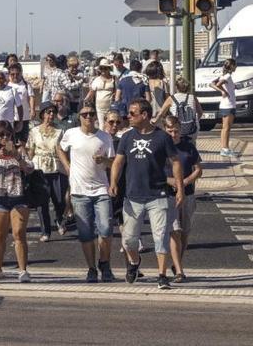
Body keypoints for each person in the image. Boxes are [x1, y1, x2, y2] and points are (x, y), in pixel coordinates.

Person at [109, 98, 184, 290]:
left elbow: (175, 162)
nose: (129, 116)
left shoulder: (162, 137)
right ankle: (134, 262)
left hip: (158, 195)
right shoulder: (127, 137)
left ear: (145, 115)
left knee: (161, 236)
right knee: (128, 240)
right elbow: (118, 162)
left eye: (132, 113)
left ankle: (162, 275)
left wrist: (180, 188)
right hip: (132, 196)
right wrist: (113, 182)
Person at [58, 102, 116, 283]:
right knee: (86, 233)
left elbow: (113, 163)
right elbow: (59, 148)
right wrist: (67, 166)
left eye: (92, 114)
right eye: (85, 114)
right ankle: (91, 268)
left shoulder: (105, 137)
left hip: (100, 189)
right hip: (79, 191)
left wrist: (104, 160)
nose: (89, 117)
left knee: (106, 229)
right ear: (79, 118)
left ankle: (104, 263)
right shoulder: (71, 134)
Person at [0, 121, 34, 282]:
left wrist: (17, 156)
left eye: (8, 135)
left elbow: (29, 168)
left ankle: (23, 270)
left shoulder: (19, 150)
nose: (5, 138)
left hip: (18, 197)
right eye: (1, 135)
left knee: (19, 233)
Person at [163, 115, 202, 283]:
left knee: (185, 232)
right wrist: (170, 181)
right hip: (169, 194)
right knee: (175, 231)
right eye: (170, 131)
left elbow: (198, 169)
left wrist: (184, 181)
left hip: (188, 193)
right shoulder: (161, 147)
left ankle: (178, 261)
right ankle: (179, 270)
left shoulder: (188, 147)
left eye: (176, 131)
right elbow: (155, 171)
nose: (173, 134)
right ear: (165, 130)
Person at [27, 102, 67, 242]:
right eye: (48, 112)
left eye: (53, 113)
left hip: (56, 168)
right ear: (42, 114)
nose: (51, 115)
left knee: (60, 199)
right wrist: (27, 167)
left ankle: (60, 218)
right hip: (39, 169)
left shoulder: (60, 131)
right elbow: (30, 150)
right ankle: (46, 231)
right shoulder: (34, 131)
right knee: (41, 202)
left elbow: (62, 151)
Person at [153, 77, 202, 142]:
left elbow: (161, 113)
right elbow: (200, 112)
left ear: (176, 87)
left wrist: (155, 121)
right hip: (192, 130)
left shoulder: (171, 98)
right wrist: (195, 121)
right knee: (191, 145)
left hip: (176, 130)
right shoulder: (193, 97)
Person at [211, 58, 237, 157]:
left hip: (226, 105)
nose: (236, 67)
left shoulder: (224, 76)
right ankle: (225, 148)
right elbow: (217, 84)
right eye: (235, 65)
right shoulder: (227, 76)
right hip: (228, 105)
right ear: (231, 66)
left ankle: (224, 148)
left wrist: (230, 88)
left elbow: (212, 83)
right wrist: (222, 91)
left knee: (224, 128)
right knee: (226, 128)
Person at [7, 63, 35, 143]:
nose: (15, 76)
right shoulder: (7, 86)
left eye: (17, 74)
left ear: (21, 73)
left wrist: (32, 110)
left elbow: (31, 97)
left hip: (24, 117)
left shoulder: (26, 85)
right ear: (9, 74)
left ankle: (22, 155)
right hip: (11, 118)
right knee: (11, 140)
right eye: (12, 74)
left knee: (23, 140)